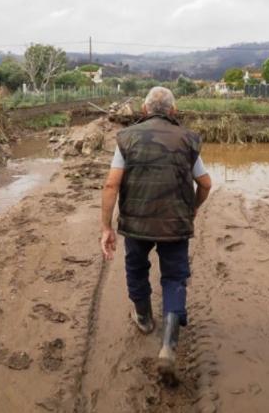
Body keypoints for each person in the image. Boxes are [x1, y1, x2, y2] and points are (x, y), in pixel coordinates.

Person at [100, 86, 212, 382]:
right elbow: (206, 184)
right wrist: (193, 209)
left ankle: (145, 319)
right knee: (174, 277)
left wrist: (106, 227)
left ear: (144, 109)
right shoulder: (188, 139)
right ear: (174, 111)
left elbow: (111, 185)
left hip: (137, 226)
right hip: (174, 224)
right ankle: (169, 345)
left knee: (136, 268)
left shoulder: (126, 138)